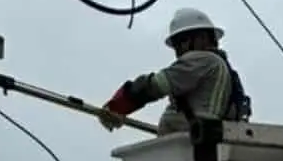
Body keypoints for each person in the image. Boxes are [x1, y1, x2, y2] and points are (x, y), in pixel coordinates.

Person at [99, 7, 252, 133]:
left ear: (203, 38)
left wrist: (118, 105)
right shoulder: (220, 67)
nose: (179, 49)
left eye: (183, 41)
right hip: (200, 141)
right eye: (176, 44)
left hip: (189, 144)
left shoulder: (204, 60)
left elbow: (157, 85)